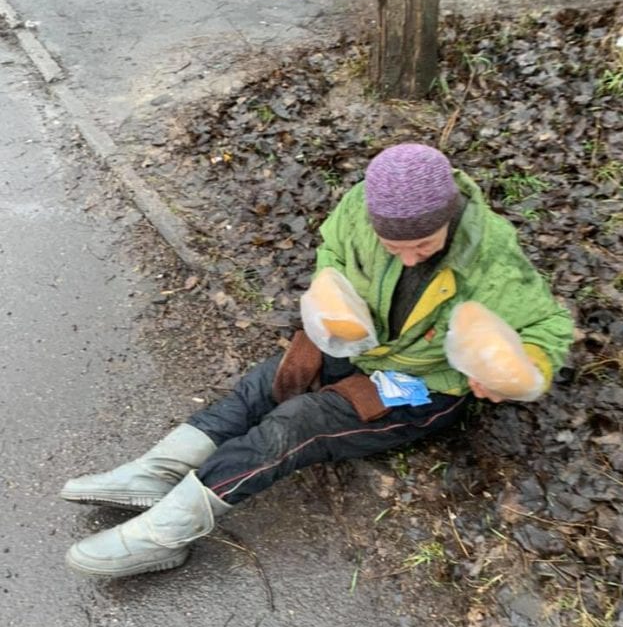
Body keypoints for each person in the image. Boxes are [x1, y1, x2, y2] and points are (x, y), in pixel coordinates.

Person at [61, 143, 574, 578]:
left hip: (419, 383)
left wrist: (517, 366)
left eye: (423, 245)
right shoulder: (359, 207)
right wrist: (332, 292)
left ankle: (167, 532)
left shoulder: (492, 257)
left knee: (296, 423)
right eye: (393, 247)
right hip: (360, 344)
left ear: (448, 216)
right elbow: (332, 248)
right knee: (271, 381)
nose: (410, 258)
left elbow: (547, 329)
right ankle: (156, 472)